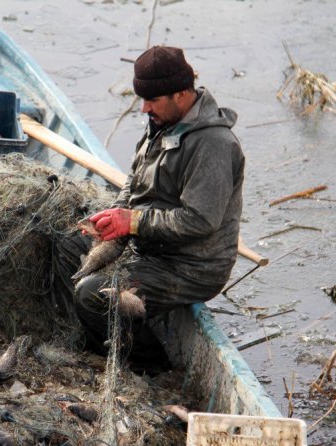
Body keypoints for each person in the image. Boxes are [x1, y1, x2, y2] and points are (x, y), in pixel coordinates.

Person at [73, 46, 245, 360]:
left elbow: (200, 220)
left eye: (151, 101)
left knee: (91, 293)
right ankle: (97, 336)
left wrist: (134, 222)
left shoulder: (213, 145)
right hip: (152, 247)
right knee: (66, 248)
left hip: (189, 266)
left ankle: (148, 362)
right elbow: (134, 181)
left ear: (180, 94)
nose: (143, 109)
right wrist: (116, 216)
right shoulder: (163, 123)